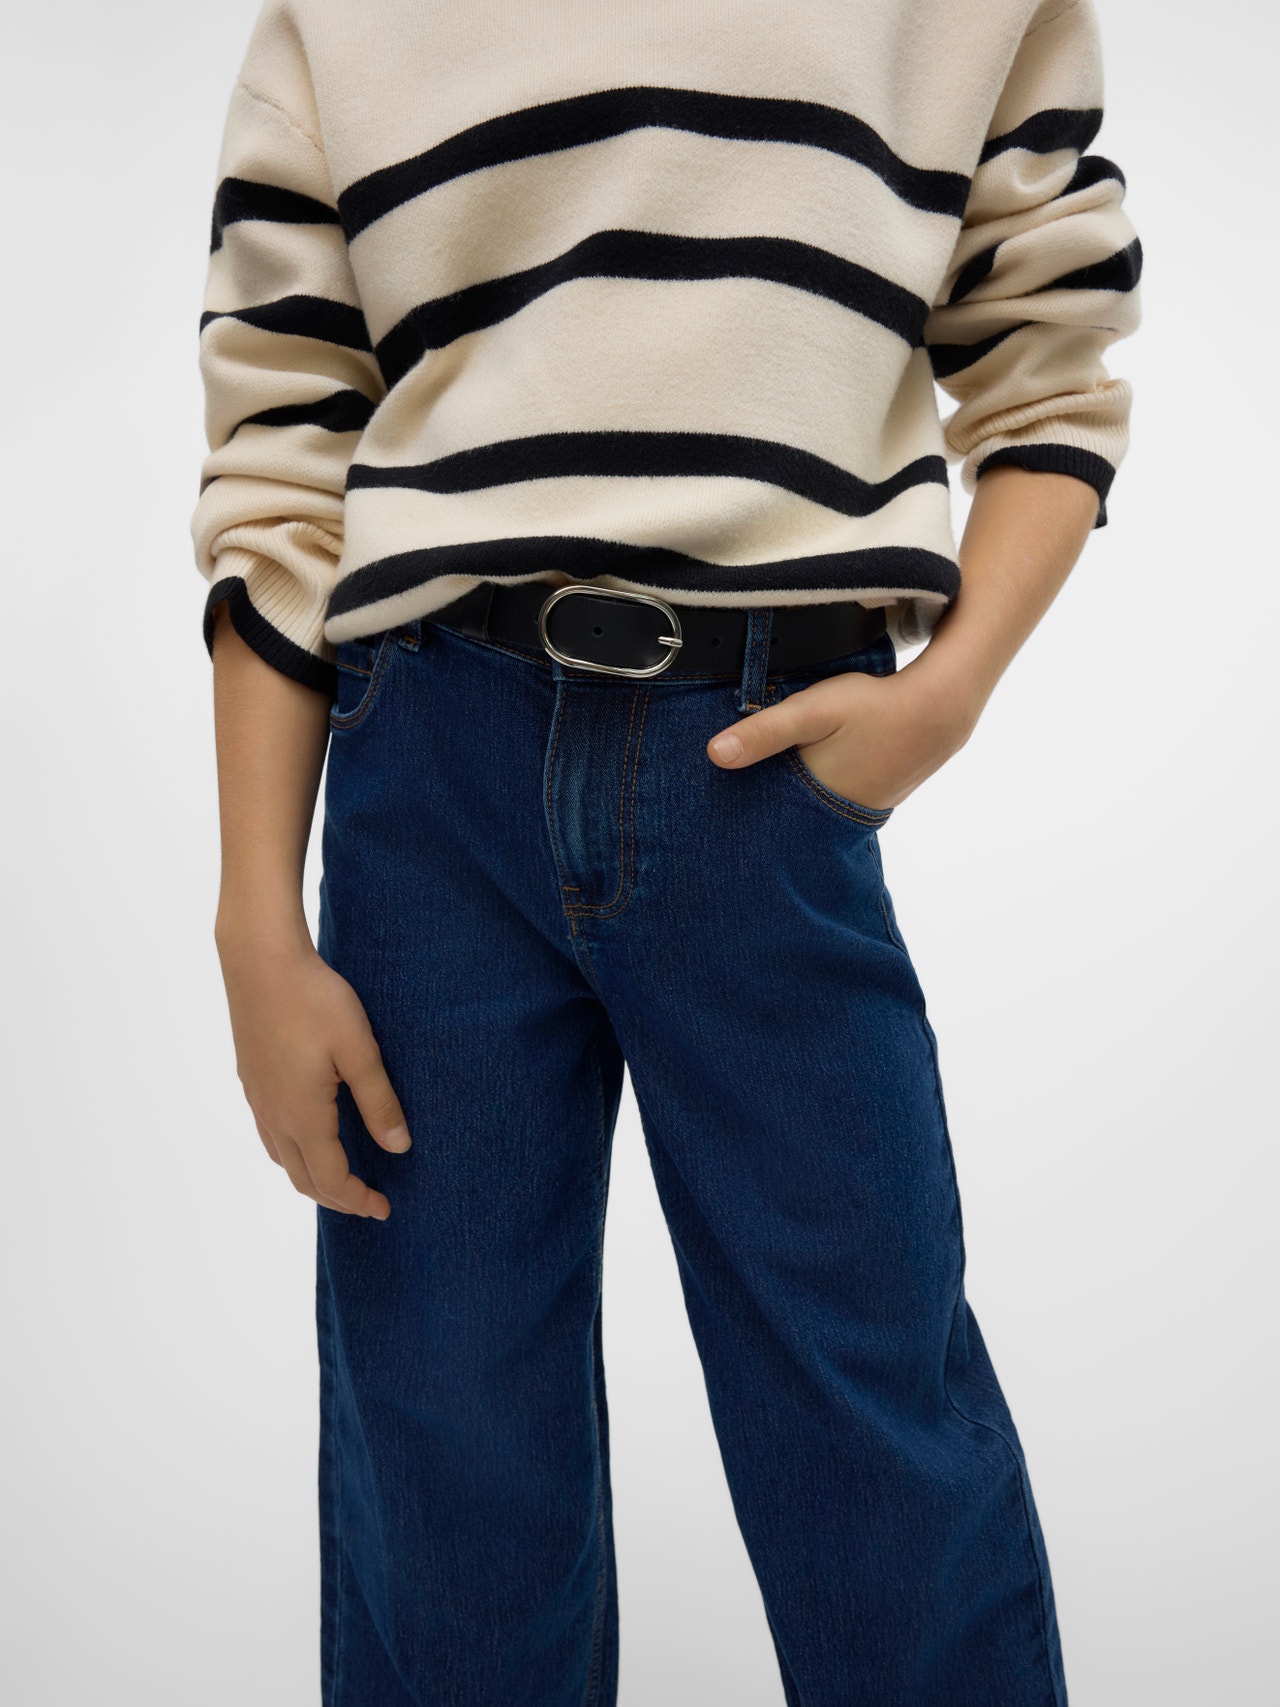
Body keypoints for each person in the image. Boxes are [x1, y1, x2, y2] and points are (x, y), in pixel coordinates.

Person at [194, 2, 1141, 1702]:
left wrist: (948, 691)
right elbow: (285, 435)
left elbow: (1051, 351)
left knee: (874, 1428)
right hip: (427, 774)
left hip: (764, 768)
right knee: (446, 1445)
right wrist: (254, 916)